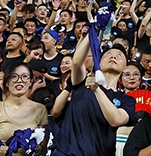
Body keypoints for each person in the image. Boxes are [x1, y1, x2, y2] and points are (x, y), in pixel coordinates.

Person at [50, 28, 135, 156]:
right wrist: (92, 31)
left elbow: (116, 120)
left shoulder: (127, 101)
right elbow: (76, 62)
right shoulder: (82, 82)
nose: (113, 56)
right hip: (64, 152)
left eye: (119, 55)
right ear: (99, 62)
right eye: (108, 54)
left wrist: (97, 90)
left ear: (125, 68)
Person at [0, 62, 48, 145]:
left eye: (24, 76)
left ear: (30, 81)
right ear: (7, 82)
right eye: (14, 76)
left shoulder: (40, 109)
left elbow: (43, 146)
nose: (19, 80)